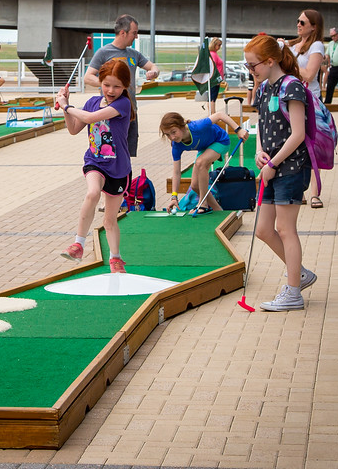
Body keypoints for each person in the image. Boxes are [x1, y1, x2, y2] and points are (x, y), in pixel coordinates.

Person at [244, 34, 317, 311]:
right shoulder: (264, 89)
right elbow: (262, 127)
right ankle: (299, 273)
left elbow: (297, 134)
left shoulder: (291, 87)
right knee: (263, 230)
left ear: (270, 61)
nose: (252, 72)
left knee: (286, 229)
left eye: (254, 66)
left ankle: (293, 292)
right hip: (271, 168)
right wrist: (259, 153)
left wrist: (274, 164)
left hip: (291, 168)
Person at [58, 59, 135, 274]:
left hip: (119, 169)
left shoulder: (122, 104)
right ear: (99, 82)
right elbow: (74, 129)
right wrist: (66, 106)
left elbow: (91, 118)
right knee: (92, 193)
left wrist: (66, 106)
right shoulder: (92, 101)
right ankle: (78, 244)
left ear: (125, 87)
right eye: (107, 84)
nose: (111, 90)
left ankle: (115, 258)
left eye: (117, 86)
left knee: (109, 221)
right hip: (95, 162)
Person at [84, 14, 159, 159]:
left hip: (131, 113)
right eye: (134, 33)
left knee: (127, 156)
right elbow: (88, 77)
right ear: (123, 32)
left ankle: (126, 181)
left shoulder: (134, 54)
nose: (136, 37)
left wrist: (154, 72)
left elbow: (153, 67)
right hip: (109, 113)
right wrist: (109, 85)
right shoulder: (104, 52)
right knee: (108, 155)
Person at [160, 111, 248, 215]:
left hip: (221, 141)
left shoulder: (197, 127)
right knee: (195, 186)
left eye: (173, 132)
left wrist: (238, 129)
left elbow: (220, 115)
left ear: (182, 126)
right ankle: (219, 211)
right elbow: (176, 172)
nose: (172, 137)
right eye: (168, 135)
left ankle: (203, 204)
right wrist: (174, 196)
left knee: (200, 162)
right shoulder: (176, 145)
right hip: (205, 148)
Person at [286, 9, 325, 209]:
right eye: (298, 21)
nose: (298, 24)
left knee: (311, 148)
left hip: (311, 101)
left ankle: (315, 193)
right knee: (296, 147)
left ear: (314, 26)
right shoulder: (294, 45)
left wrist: (289, 61)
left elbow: (309, 75)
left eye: (303, 21)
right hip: (293, 100)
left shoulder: (317, 45)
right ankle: (299, 189)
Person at [208, 38, 225, 114]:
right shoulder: (213, 54)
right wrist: (216, 79)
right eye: (219, 45)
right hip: (215, 79)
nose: (220, 47)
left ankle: (212, 113)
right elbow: (213, 67)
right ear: (214, 45)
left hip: (216, 79)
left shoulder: (213, 54)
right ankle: (212, 113)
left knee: (212, 96)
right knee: (212, 97)